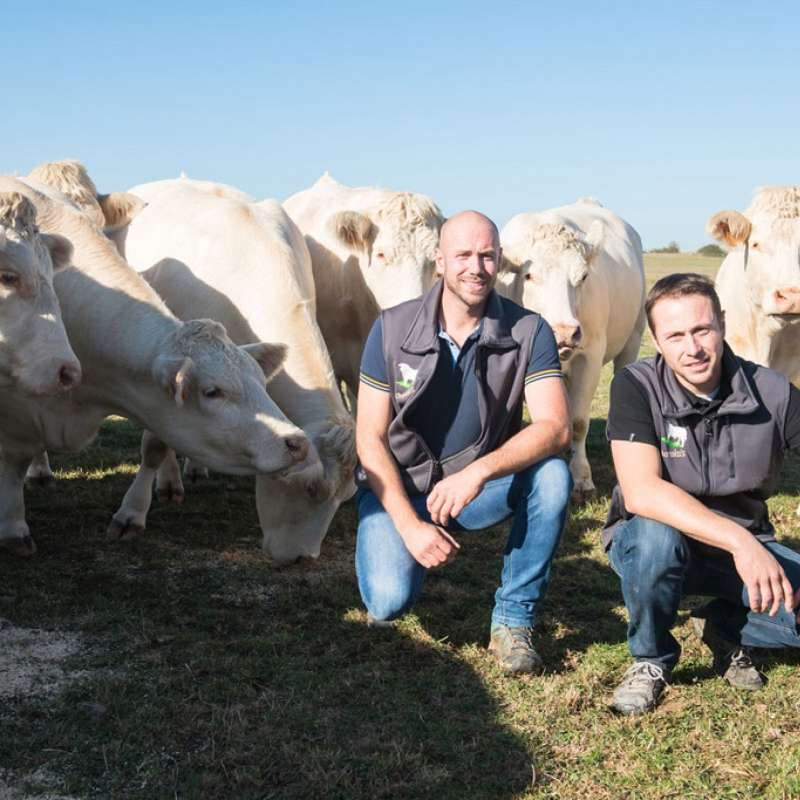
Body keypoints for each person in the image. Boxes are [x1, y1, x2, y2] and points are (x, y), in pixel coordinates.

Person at [354, 210, 572, 674]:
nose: (476, 267)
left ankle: (514, 620)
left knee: (552, 475)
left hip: (473, 489)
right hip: (399, 488)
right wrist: (409, 526)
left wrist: (476, 473)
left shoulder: (530, 330)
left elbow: (555, 427)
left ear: (500, 263)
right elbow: (369, 438)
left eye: (488, 256)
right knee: (387, 603)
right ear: (439, 261)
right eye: (464, 255)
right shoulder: (391, 328)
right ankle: (410, 537)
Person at [605, 272, 800, 715]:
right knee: (656, 538)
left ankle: (723, 622)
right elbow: (641, 493)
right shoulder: (636, 386)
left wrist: (748, 545)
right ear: (656, 339)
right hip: (656, 542)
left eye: (702, 330)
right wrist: (741, 542)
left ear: (723, 324)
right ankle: (650, 659)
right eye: (675, 335)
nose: (692, 348)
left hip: (744, 548)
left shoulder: (771, 391)